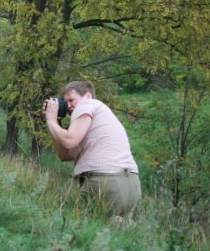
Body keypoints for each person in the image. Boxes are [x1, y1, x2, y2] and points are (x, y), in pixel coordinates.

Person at [43, 80, 140, 216]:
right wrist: (56, 121)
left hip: (106, 182)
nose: (69, 107)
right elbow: (64, 155)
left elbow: (69, 140)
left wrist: (50, 120)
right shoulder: (99, 118)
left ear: (87, 96)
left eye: (71, 100)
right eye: (66, 103)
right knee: (110, 227)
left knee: (60, 208)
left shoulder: (87, 104)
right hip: (132, 186)